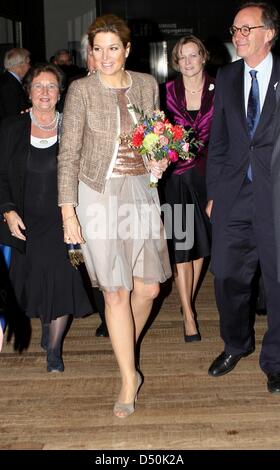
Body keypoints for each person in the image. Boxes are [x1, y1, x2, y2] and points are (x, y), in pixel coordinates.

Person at [57, 14, 171, 417]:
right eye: (97, 49)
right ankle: (128, 377)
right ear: (92, 52)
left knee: (149, 289)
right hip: (97, 194)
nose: (105, 56)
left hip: (140, 191)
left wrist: (159, 160)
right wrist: (68, 213)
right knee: (115, 291)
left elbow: (155, 135)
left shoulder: (145, 84)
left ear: (126, 49)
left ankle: (126, 346)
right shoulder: (81, 90)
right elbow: (68, 154)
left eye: (112, 48)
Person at [206, 2, 280, 394]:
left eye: (246, 29)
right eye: (235, 29)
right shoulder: (228, 75)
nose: (238, 36)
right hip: (234, 197)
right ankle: (236, 344)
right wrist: (215, 194)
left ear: (268, 33)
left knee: (278, 280)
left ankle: (277, 360)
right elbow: (218, 142)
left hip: (276, 199)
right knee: (228, 275)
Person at [0, 63, 93, 372]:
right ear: (29, 91)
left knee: (62, 280)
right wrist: (7, 210)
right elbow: (0, 176)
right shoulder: (11, 128)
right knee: (35, 283)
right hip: (25, 223)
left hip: (63, 221)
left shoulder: (72, 127)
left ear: (60, 92)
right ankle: (45, 326)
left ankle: (54, 349)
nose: (44, 92)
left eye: (51, 86)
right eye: (38, 86)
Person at [160, 35, 214, 342]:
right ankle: (188, 314)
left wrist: (218, 190)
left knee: (200, 245)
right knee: (182, 243)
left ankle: (186, 301)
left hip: (207, 177)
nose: (189, 61)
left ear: (204, 57)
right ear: (176, 62)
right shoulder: (165, 91)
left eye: (194, 55)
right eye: (183, 57)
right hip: (176, 178)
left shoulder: (221, 89)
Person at [79, 32, 108, 337]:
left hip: (118, 188)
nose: (98, 57)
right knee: (93, 259)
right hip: (85, 188)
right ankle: (105, 315)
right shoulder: (75, 90)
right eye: (93, 51)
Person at [0, 48, 31, 120]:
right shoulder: (9, 86)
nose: (29, 66)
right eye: (28, 63)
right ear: (20, 65)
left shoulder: (6, 80)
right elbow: (12, 116)